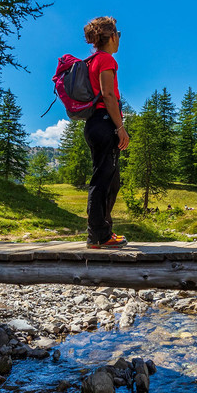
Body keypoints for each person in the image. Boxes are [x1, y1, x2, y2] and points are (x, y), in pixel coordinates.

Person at [83, 16, 129, 248]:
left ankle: (103, 232)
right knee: (103, 179)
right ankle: (97, 235)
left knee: (111, 179)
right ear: (111, 37)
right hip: (104, 122)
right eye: (118, 35)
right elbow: (108, 95)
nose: (119, 40)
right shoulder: (106, 60)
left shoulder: (92, 59)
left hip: (93, 123)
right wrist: (120, 128)